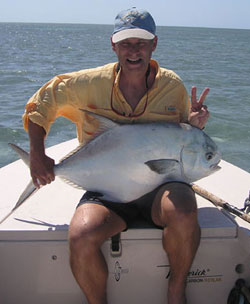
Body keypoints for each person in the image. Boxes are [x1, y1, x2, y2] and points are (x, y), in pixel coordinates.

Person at [23, 8, 209, 304]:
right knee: (81, 235)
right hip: (107, 189)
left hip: (158, 189)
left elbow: (177, 138)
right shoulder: (88, 83)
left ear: (154, 44)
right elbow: (41, 103)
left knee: (184, 211)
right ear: (113, 45)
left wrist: (194, 124)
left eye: (141, 43)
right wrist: (36, 153)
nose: (133, 51)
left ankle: (176, 292)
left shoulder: (171, 85)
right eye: (125, 43)